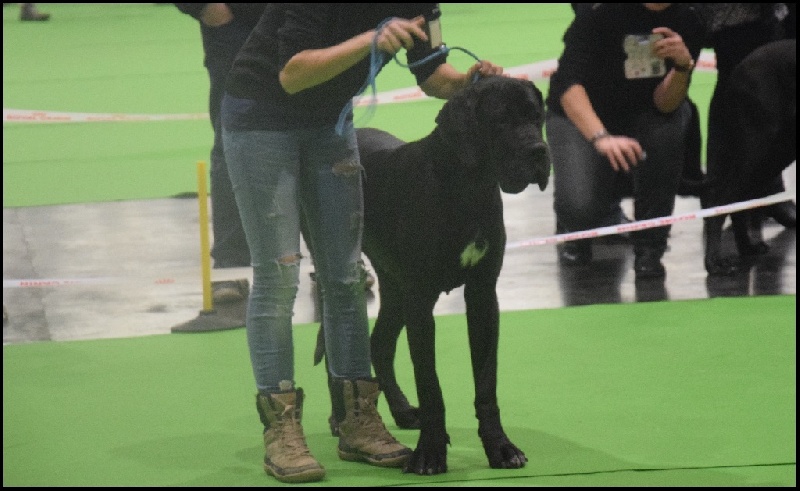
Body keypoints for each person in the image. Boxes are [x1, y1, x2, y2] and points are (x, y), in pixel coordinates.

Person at [220, 4, 502, 483]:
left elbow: (433, 75)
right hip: (260, 120)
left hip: (329, 122)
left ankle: (357, 419)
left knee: (347, 276)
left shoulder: (420, 6)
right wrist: (372, 39)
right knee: (279, 275)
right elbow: (292, 74)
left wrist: (467, 82)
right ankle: (282, 430)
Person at [547, 3, 705, 280]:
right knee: (582, 208)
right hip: (582, 113)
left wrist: (683, 65)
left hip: (646, 111)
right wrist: (601, 137)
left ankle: (650, 247)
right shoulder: (598, 13)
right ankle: (576, 228)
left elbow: (666, 104)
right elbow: (568, 86)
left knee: (670, 125)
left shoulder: (689, 18)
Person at [174, 4, 265, 304]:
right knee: (233, 143)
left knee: (318, 136)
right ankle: (231, 266)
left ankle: (332, 263)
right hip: (234, 27)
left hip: (308, 22)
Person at [694, 3, 796, 228]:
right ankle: (718, 204)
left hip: (772, 21)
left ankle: (767, 197)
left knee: (779, 137)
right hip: (734, 26)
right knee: (745, 144)